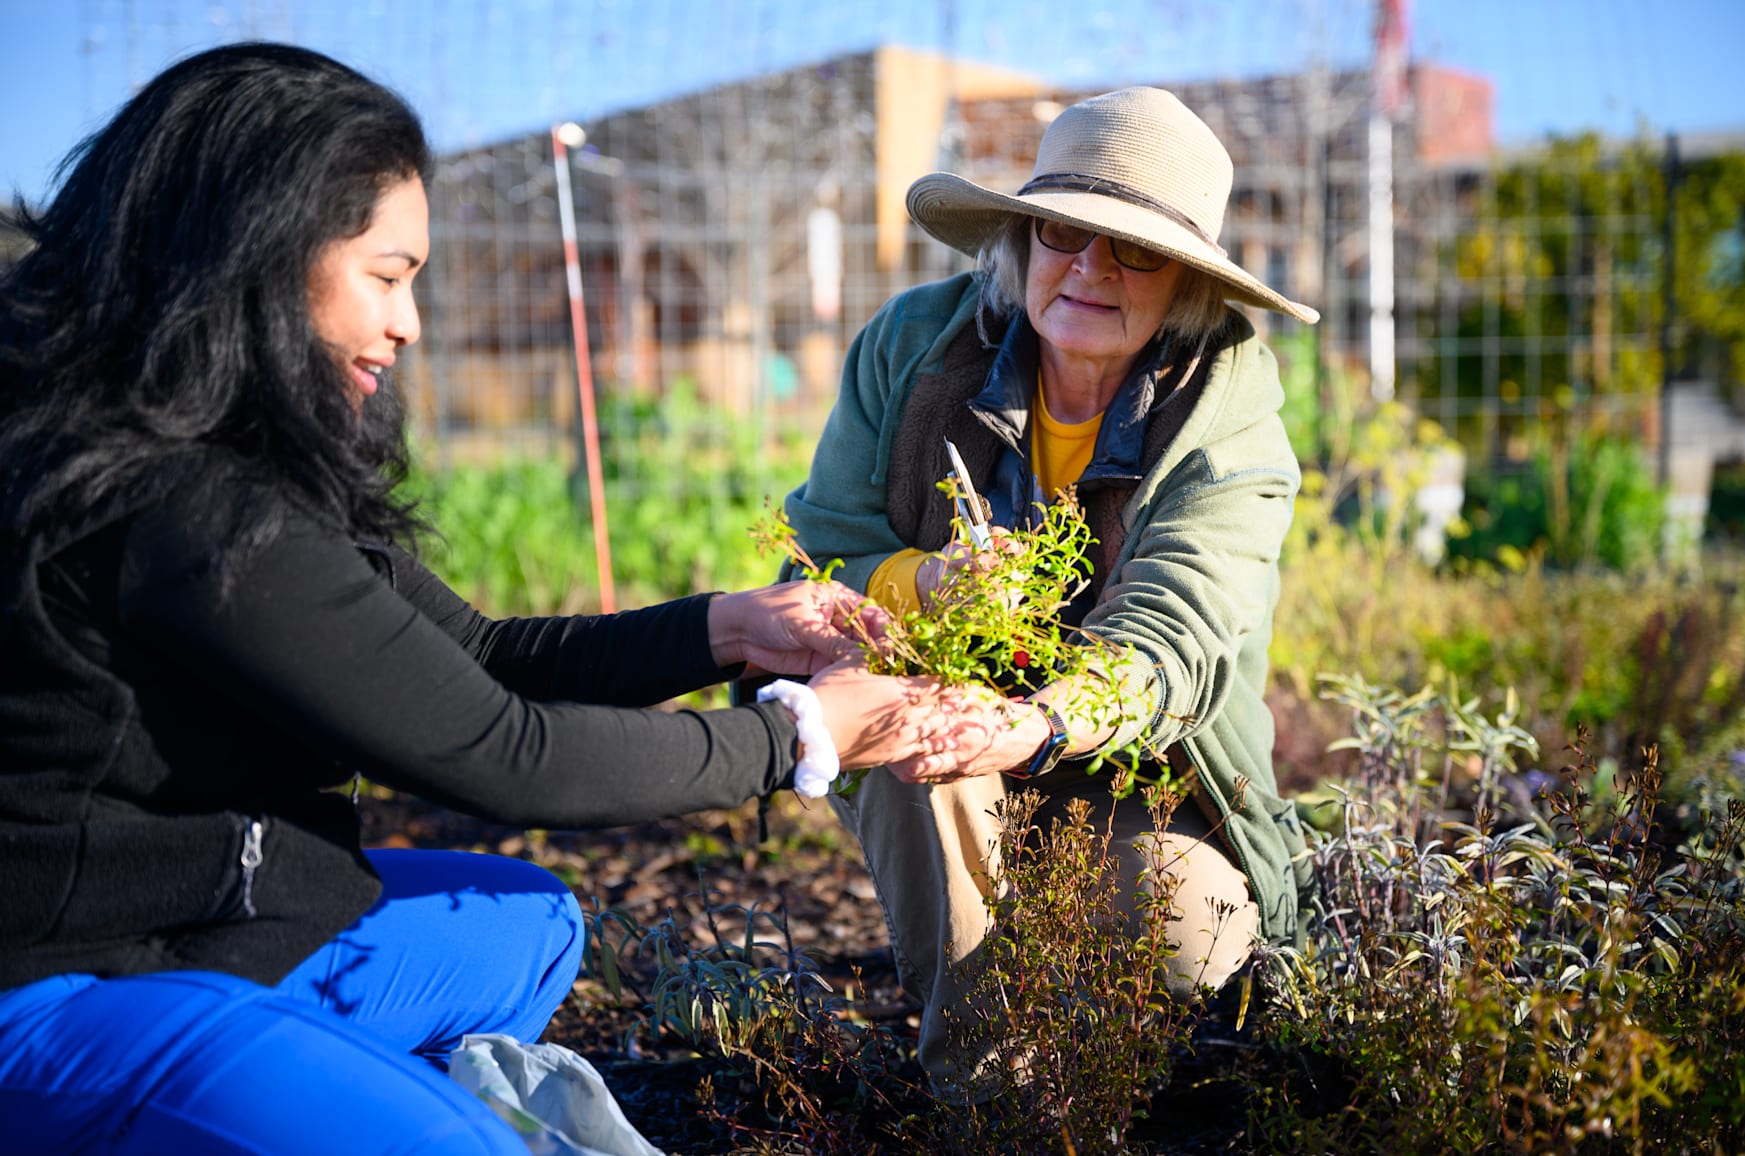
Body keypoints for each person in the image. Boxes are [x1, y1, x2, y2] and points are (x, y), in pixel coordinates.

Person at [0, 43, 1017, 1154]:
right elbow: (503, 755)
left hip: (190, 927)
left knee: (529, 927)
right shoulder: (179, 508)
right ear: (260, 251)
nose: (410, 324)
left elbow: (479, 652)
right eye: (387, 275)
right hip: (53, 991)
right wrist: (799, 735)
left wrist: (730, 627)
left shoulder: (222, 451)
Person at [782, 86, 1320, 1094]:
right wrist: (926, 582)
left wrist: (1034, 728)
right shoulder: (912, 352)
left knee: (1191, 932)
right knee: (912, 723)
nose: (1090, 267)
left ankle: (1083, 1034)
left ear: (1189, 285)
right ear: (1025, 238)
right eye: (1065, 230)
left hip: (1134, 773)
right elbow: (807, 568)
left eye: (1135, 249)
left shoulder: (1228, 416)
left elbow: (1171, 641)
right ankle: (990, 1101)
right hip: (938, 750)